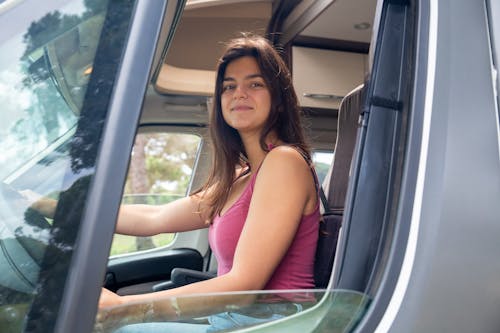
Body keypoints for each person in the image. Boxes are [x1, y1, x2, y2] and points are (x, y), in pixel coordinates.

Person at [96, 34, 321, 332]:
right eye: (229, 86)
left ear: (278, 101)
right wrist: (68, 212)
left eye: (255, 84)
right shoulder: (242, 175)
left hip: (273, 325)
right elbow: (155, 217)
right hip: (233, 323)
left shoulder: (284, 162)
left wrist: (126, 309)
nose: (239, 93)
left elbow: (244, 285)